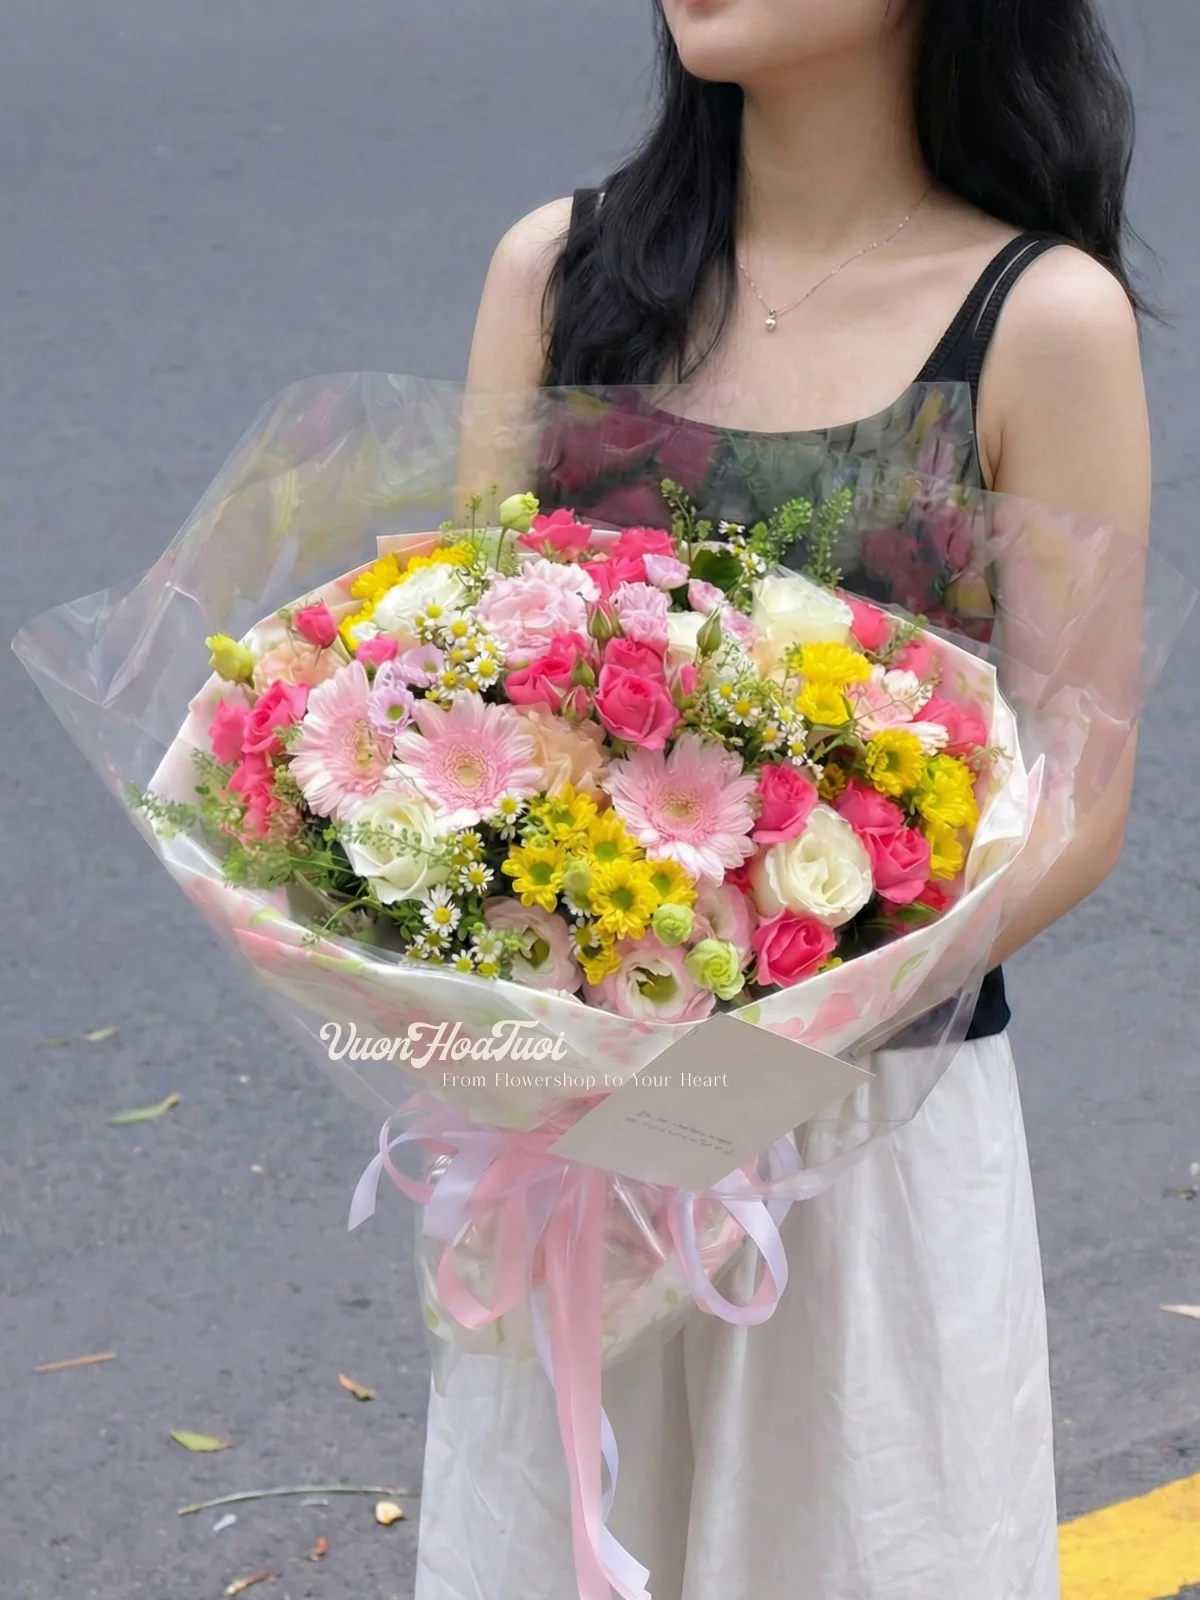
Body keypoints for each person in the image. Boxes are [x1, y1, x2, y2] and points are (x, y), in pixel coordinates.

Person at [419, 3, 1151, 1596]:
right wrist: (550, 1058)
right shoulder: (560, 275)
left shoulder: (1039, 321)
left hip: (860, 1144)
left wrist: (732, 1088)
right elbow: (449, 697)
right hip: (580, 1148)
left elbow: (1075, 798)